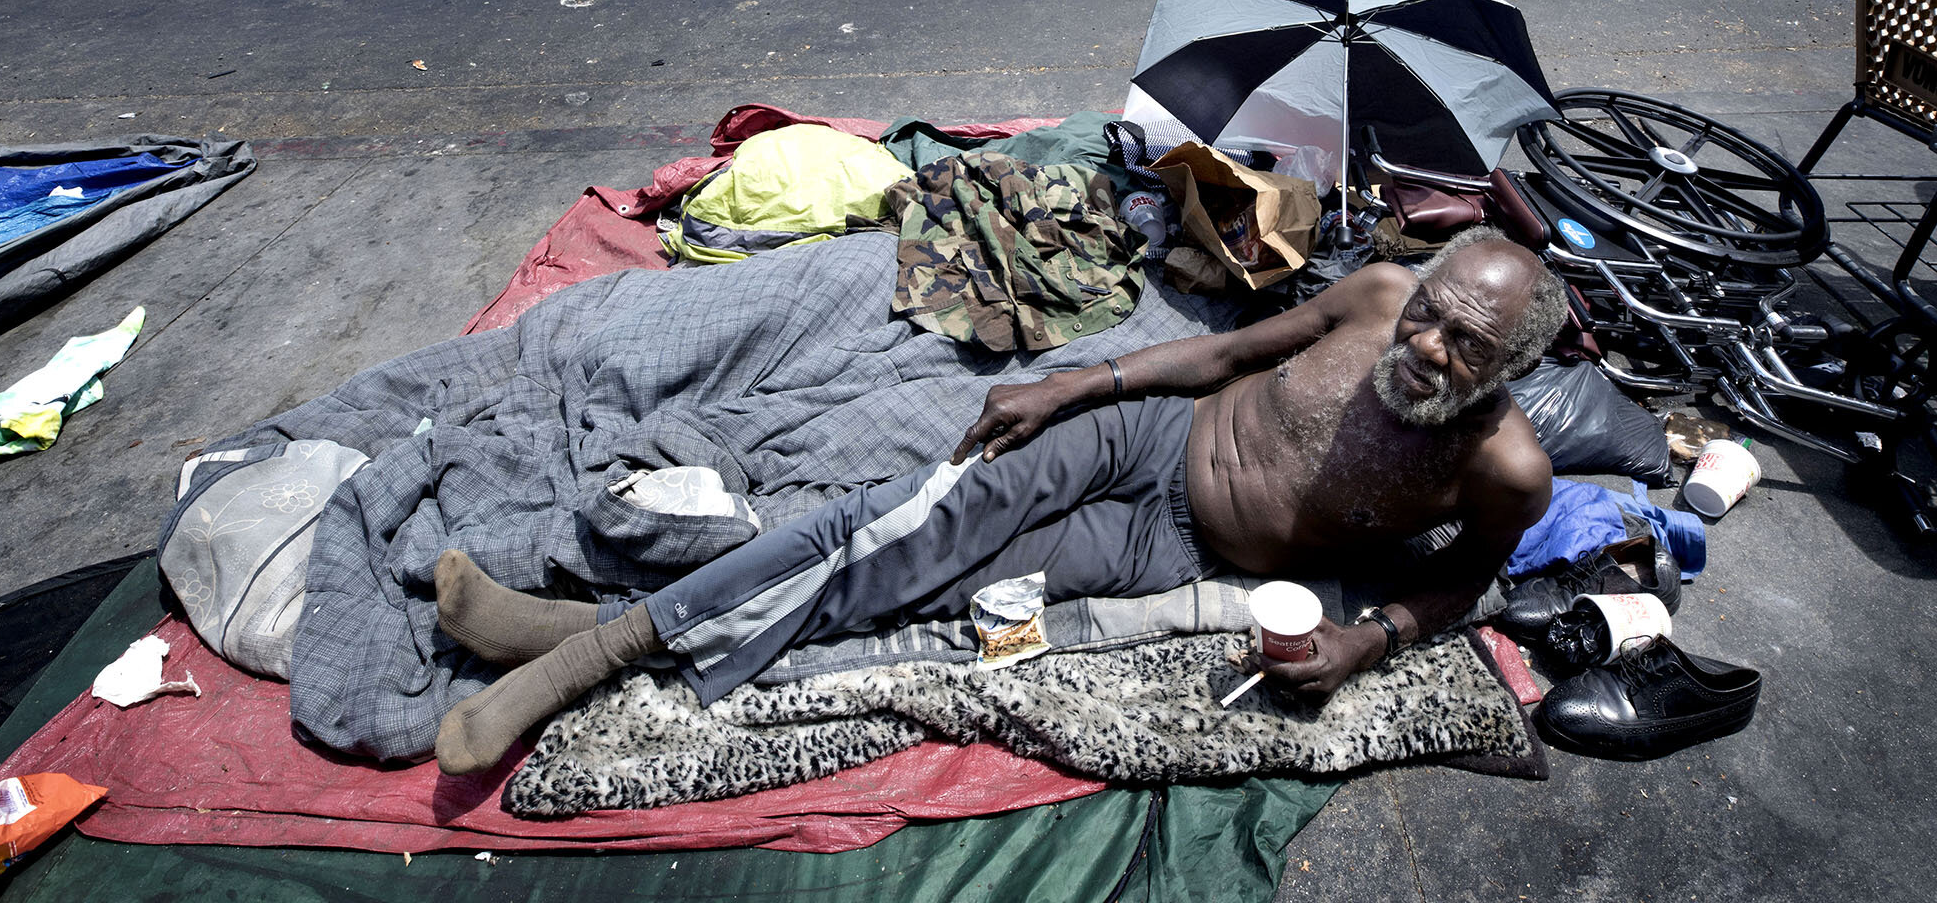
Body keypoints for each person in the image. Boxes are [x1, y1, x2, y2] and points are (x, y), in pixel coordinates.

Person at [429, 230, 1565, 773]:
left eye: (1462, 343)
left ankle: (588, 632)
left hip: (1166, 548)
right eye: (1429, 310)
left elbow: (1468, 572)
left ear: (1511, 363)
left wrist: (1368, 643)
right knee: (892, 526)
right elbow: (1228, 356)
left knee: (944, 605)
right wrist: (1077, 383)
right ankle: (569, 661)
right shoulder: (1372, 295)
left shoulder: (1504, 467)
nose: (1423, 342)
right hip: (1142, 433)